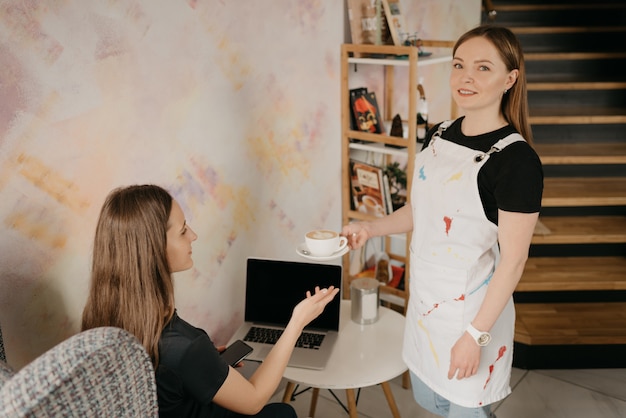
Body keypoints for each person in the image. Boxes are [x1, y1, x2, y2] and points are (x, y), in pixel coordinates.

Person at [342, 25, 543, 418]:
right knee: (432, 403)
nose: (466, 77)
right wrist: (371, 229)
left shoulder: (516, 162)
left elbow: (513, 262)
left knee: (466, 410)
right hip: (426, 309)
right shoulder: (438, 134)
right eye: (459, 65)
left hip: (473, 316)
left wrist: (474, 335)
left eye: (483, 68)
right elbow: (423, 211)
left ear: (510, 78)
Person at [81, 184, 339, 417]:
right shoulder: (184, 346)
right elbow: (254, 401)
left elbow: (164, 379)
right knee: (282, 412)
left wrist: (203, 365)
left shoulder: (100, 316)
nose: (193, 235)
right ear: (154, 249)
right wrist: (296, 324)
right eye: (182, 231)